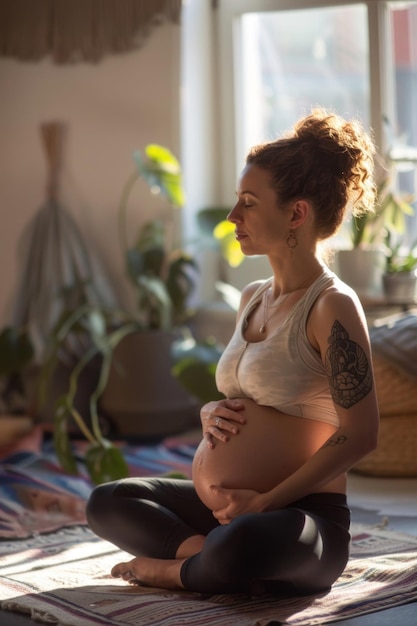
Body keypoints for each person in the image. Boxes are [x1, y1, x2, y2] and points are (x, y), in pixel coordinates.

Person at [86, 108, 379, 596]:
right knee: (109, 500)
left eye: (247, 203)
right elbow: (253, 396)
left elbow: (362, 434)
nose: (232, 217)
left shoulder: (332, 306)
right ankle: (204, 556)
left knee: (242, 542)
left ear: (296, 213)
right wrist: (209, 412)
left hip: (299, 517)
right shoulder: (253, 298)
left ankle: (179, 569)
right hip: (227, 513)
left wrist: (264, 503)